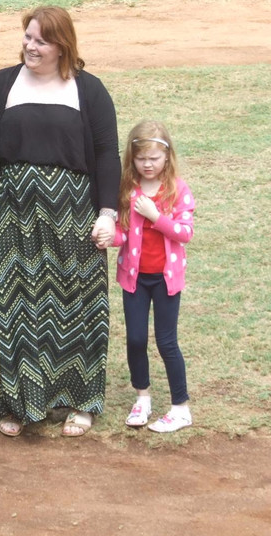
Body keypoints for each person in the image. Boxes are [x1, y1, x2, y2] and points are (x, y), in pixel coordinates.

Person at [0, 6, 120, 438]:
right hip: (13, 216)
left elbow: (107, 155)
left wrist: (108, 214)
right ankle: (19, 402)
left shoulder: (89, 90)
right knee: (17, 306)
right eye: (27, 37)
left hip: (75, 218)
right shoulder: (4, 84)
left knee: (79, 305)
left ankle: (81, 401)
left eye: (40, 40)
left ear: (62, 46)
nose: (30, 46)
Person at [102, 120, 195, 433]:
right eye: (141, 158)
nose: (148, 164)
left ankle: (180, 408)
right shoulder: (128, 190)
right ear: (132, 158)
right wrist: (108, 237)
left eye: (154, 158)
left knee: (167, 342)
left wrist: (156, 216)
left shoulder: (177, 190)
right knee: (136, 339)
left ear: (167, 156)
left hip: (166, 280)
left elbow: (185, 233)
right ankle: (142, 398)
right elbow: (122, 232)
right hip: (135, 279)